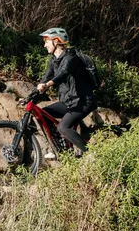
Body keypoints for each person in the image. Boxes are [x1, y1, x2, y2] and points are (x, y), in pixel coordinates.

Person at [36, 27, 97, 158]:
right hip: (68, 102)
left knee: (63, 127)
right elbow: (46, 77)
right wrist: (31, 95)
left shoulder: (71, 57)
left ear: (56, 41)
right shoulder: (53, 60)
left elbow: (64, 73)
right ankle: (61, 148)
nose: (44, 45)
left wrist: (48, 84)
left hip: (83, 101)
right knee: (43, 114)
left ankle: (91, 155)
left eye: (46, 41)